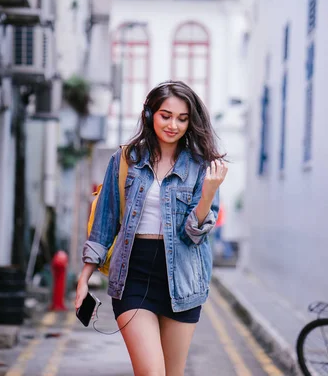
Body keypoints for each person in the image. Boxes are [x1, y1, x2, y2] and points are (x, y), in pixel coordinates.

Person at [75, 80, 228, 376]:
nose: (173, 125)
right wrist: (84, 278)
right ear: (149, 115)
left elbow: (194, 233)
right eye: (165, 115)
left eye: (182, 119)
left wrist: (208, 192)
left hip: (182, 281)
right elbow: (104, 223)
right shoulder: (126, 160)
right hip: (133, 277)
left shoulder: (201, 167)